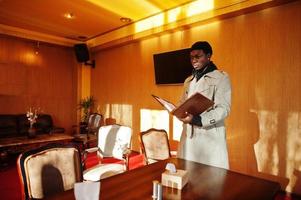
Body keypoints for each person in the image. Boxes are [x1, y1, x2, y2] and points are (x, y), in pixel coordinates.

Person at [177, 41, 232, 169]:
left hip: (208, 136)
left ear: (208, 56)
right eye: (191, 57)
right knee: (188, 174)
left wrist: (198, 119)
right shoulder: (188, 81)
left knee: (209, 180)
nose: (194, 60)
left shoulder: (221, 78)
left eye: (198, 56)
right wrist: (177, 111)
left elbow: (224, 109)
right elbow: (182, 102)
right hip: (188, 136)